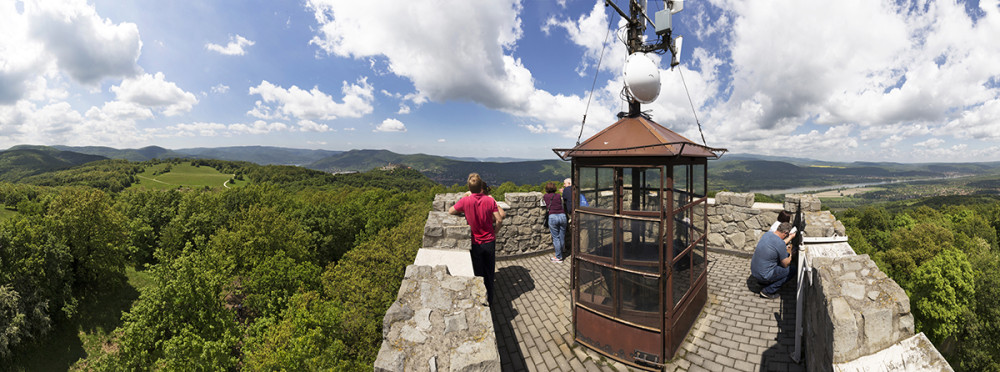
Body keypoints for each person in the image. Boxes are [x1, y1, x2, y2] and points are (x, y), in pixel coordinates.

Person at [449, 173, 505, 304]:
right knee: (489, 273)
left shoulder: (465, 201)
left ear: (469, 187)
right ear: (481, 187)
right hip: (489, 241)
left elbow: (451, 211)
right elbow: (499, 219)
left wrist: (465, 196)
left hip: (475, 242)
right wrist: (494, 232)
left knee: (478, 273)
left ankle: (481, 301)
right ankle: (490, 300)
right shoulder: (489, 200)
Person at [751, 222, 796, 299]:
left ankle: (761, 283)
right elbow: (785, 264)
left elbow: (778, 244)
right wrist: (791, 255)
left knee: (778, 258)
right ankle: (767, 291)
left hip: (754, 272)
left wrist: (790, 237)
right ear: (785, 233)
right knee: (792, 269)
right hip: (763, 275)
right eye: (787, 235)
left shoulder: (767, 234)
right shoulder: (780, 243)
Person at [543, 182, 568, 262]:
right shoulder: (558, 195)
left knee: (556, 238)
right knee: (562, 236)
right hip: (562, 216)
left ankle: (558, 257)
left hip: (553, 216)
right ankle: (562, 251)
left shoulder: (545, 196)